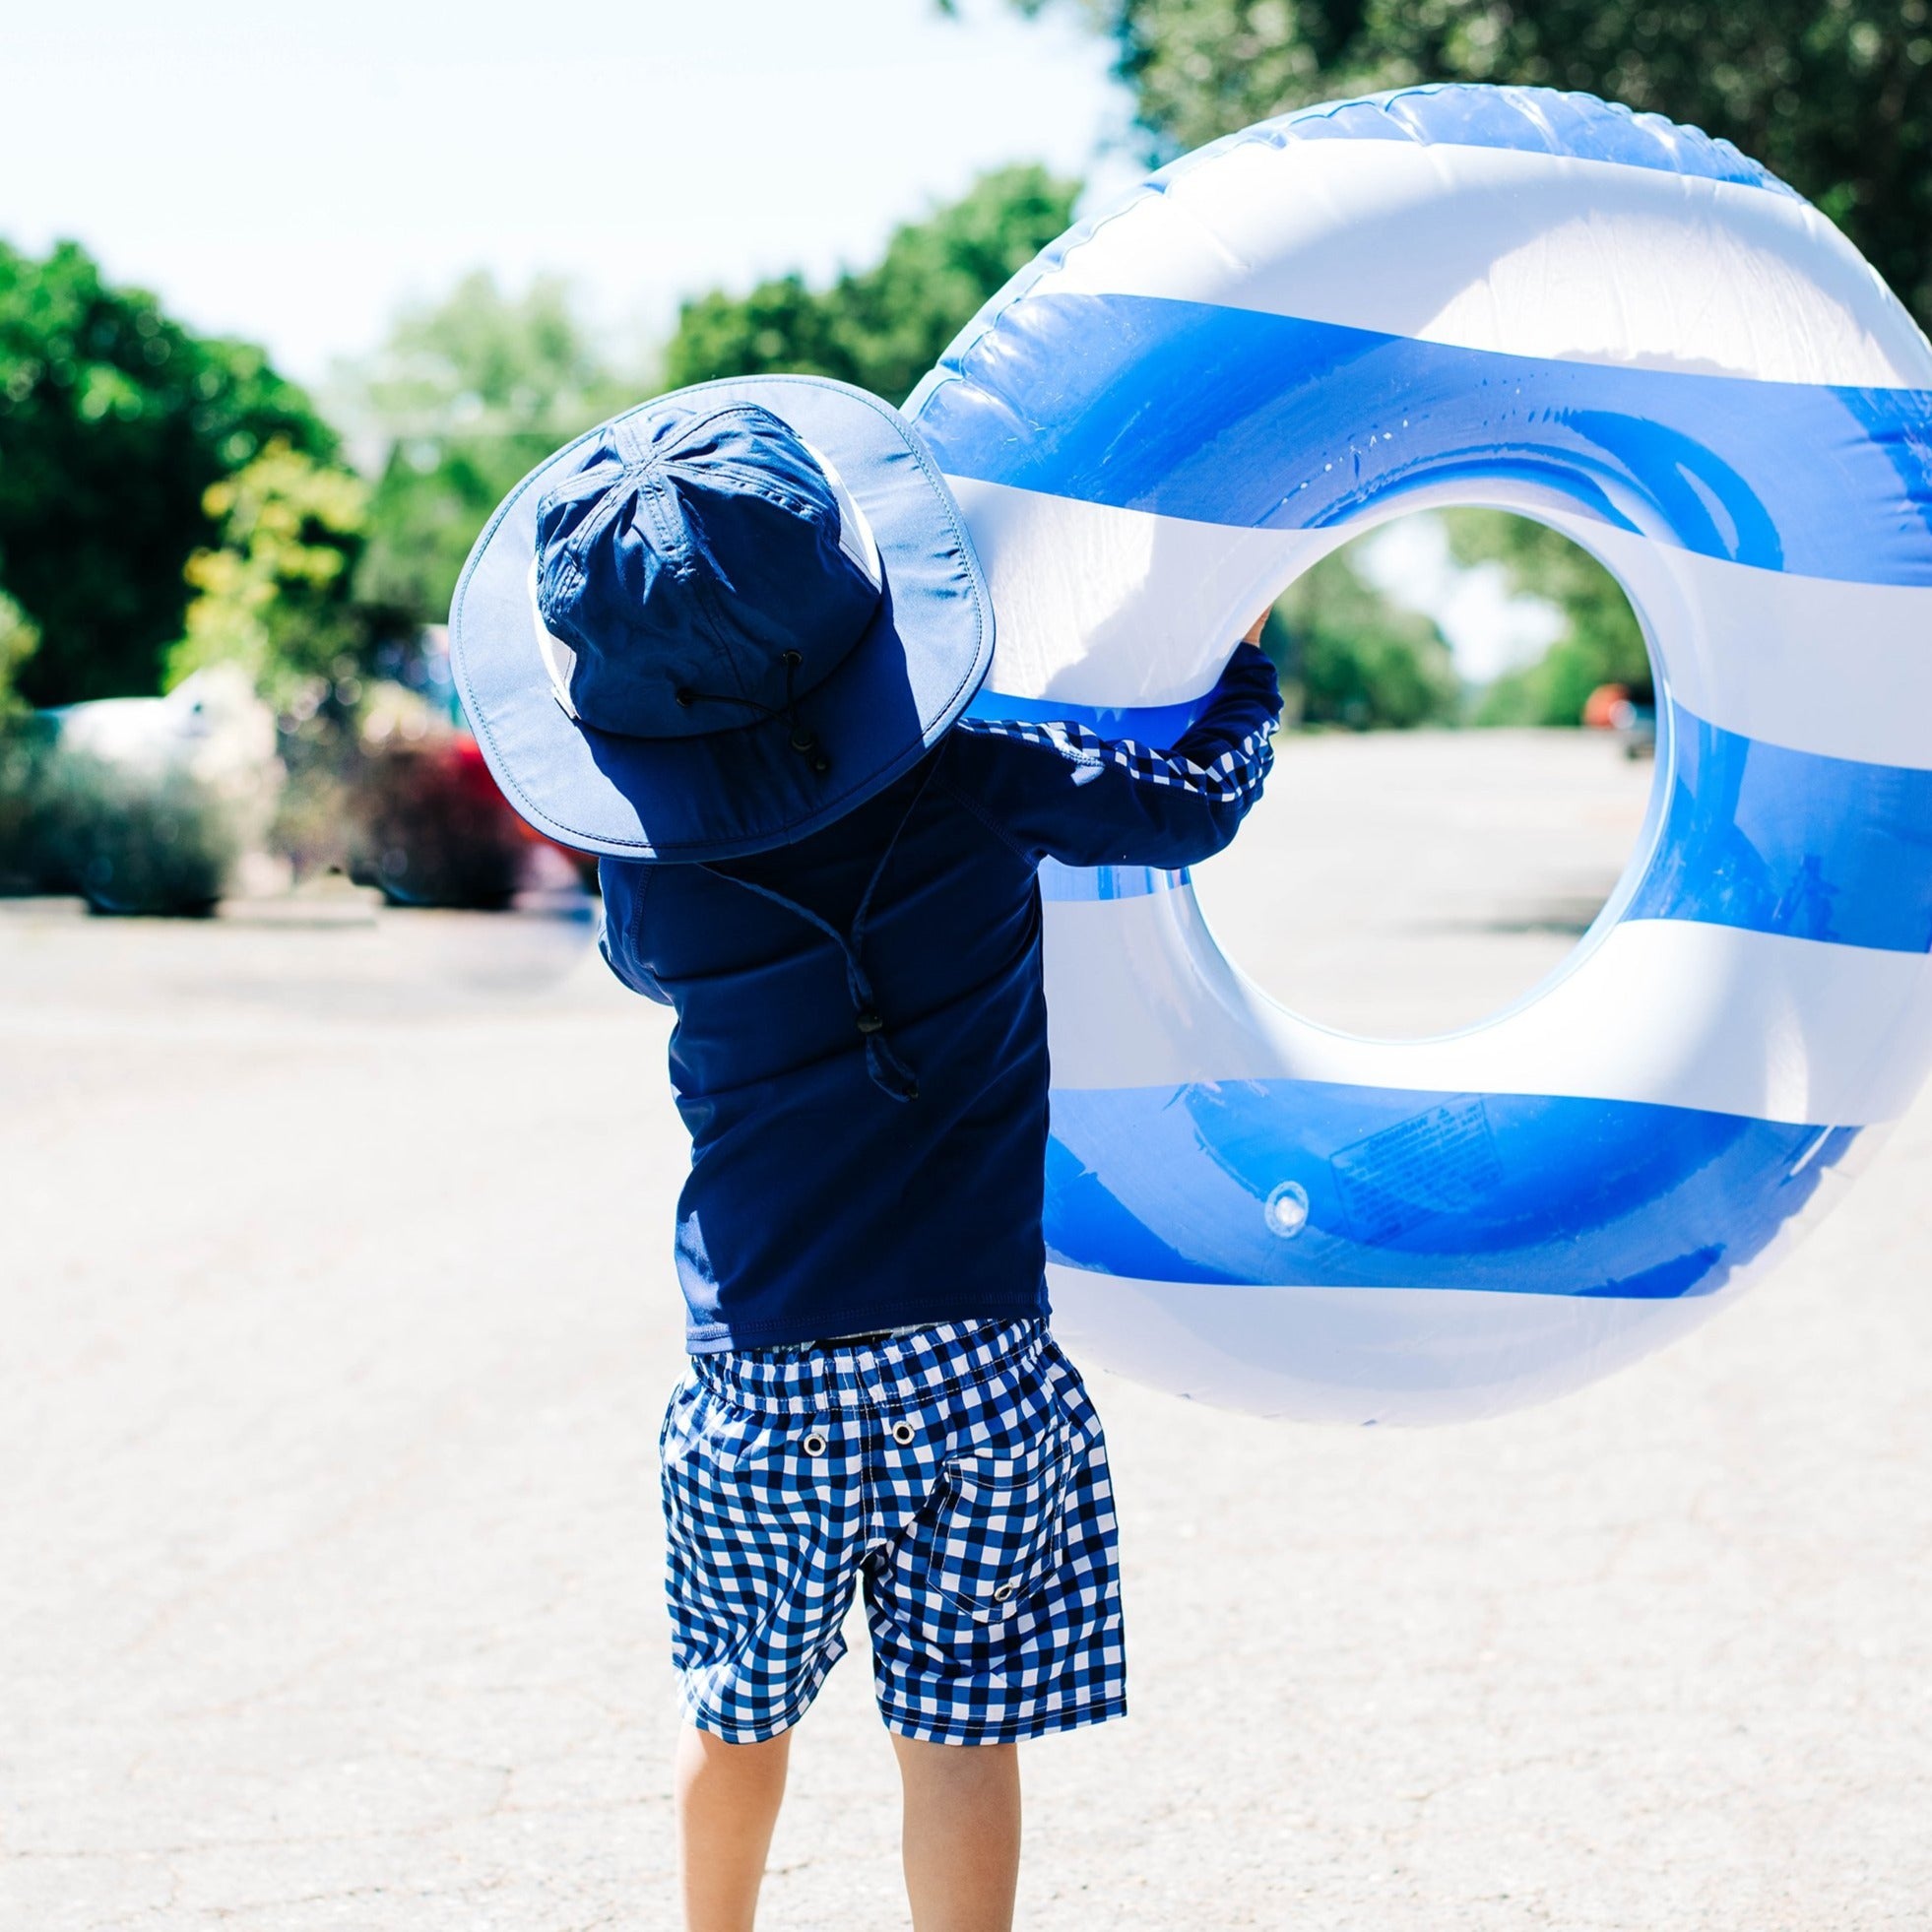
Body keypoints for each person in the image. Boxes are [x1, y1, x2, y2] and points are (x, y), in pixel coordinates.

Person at [449, 374, 1280, 1932]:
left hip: (762, 1379)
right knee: (958, 1733)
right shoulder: (980, 777)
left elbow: (647, 966)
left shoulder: (658, 889)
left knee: (734, 1713)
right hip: (975, 1365)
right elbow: (1192, 808)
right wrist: (1243, 683)